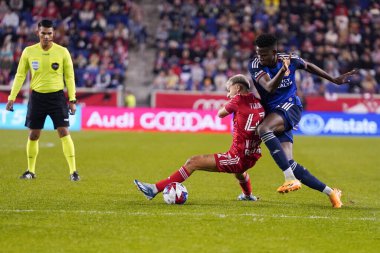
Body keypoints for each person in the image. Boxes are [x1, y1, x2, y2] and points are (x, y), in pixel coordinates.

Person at [248, 34, 356, 208]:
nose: (260, 57)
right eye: (258, 53)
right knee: (289, 162)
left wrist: (333, 80)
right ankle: (331, 192)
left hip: (291, 107)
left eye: (264, 54)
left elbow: (308, 66)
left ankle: (289, 178)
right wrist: (283, 71)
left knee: (264, 129)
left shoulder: (289, 59)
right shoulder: (255, 65)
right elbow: (268, 86)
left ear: (274, 52)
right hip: (274, 113)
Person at [134, 74, 265, 201]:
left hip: (238, 157)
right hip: (252, 155)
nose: (227, 94)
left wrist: (232, 101)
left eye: (229, 90)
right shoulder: (258, 101)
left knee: (193, 162)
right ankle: (247, 195)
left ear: (237, 88)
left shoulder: (238, 99)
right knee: (239, 171)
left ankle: (154, 189)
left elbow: (220, 113)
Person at [5, 19, 80, 181]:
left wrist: (72, 99)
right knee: (33, 135)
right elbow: (20, 75)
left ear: (54, 34)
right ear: (37, 32)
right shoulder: (29, 52)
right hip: (37, 97)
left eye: (49, 33)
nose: (46, 36)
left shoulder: (62, 52)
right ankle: (30, 171)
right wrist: (12, 97)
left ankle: (73, 172)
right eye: (43, 33)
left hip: (57, 97)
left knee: (64, 131)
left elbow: (70, 77)